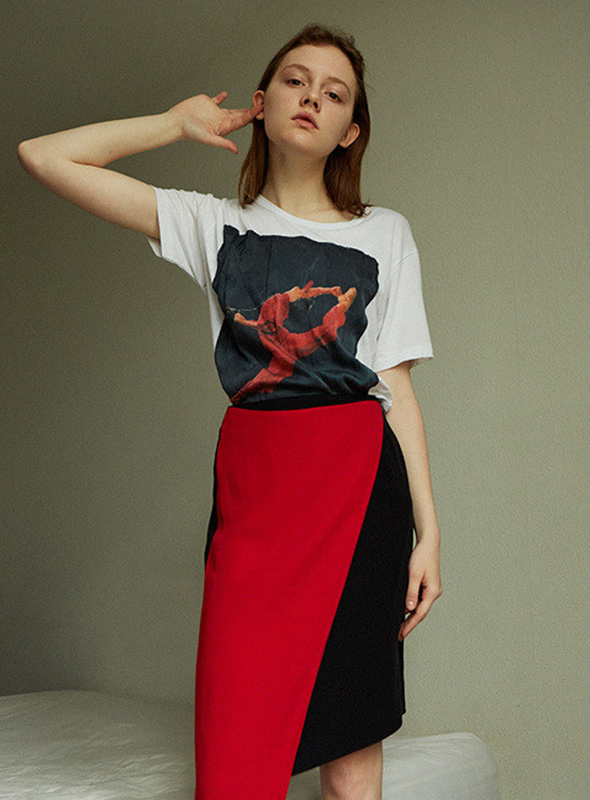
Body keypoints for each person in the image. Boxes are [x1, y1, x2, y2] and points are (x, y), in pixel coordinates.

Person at [17, 22, 443, 800]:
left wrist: (430, 535)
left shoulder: (386, 234)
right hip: (258, 480)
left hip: (359, 485)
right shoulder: (213, 224)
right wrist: (172, 125)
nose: (311, 97)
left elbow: (398, 390)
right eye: (295, 80)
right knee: (235, 750)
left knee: (351, 746)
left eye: (334, 93)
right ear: (261, 102)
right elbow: (43, 156)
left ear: (351, 132)